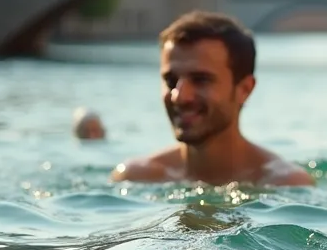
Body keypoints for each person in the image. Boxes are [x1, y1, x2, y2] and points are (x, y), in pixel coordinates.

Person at [111, 11, 315, 187]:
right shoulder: (134, 178)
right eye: (171, 80)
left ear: (244, 89)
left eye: (201, 80)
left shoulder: (284, 184)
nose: (180, 96)